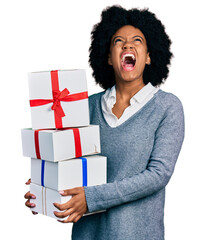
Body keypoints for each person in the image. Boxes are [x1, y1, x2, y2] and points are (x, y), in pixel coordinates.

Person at [25, 5, 185, 240]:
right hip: (88, 235)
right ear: (109, 57)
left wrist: (91, 199)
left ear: (149, 56)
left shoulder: (167, 107)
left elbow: (158, 175)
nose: (127, 45)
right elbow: (67, 161)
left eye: (137, 41)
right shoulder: (86, 107)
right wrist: (45, 187)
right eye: (118, 41)